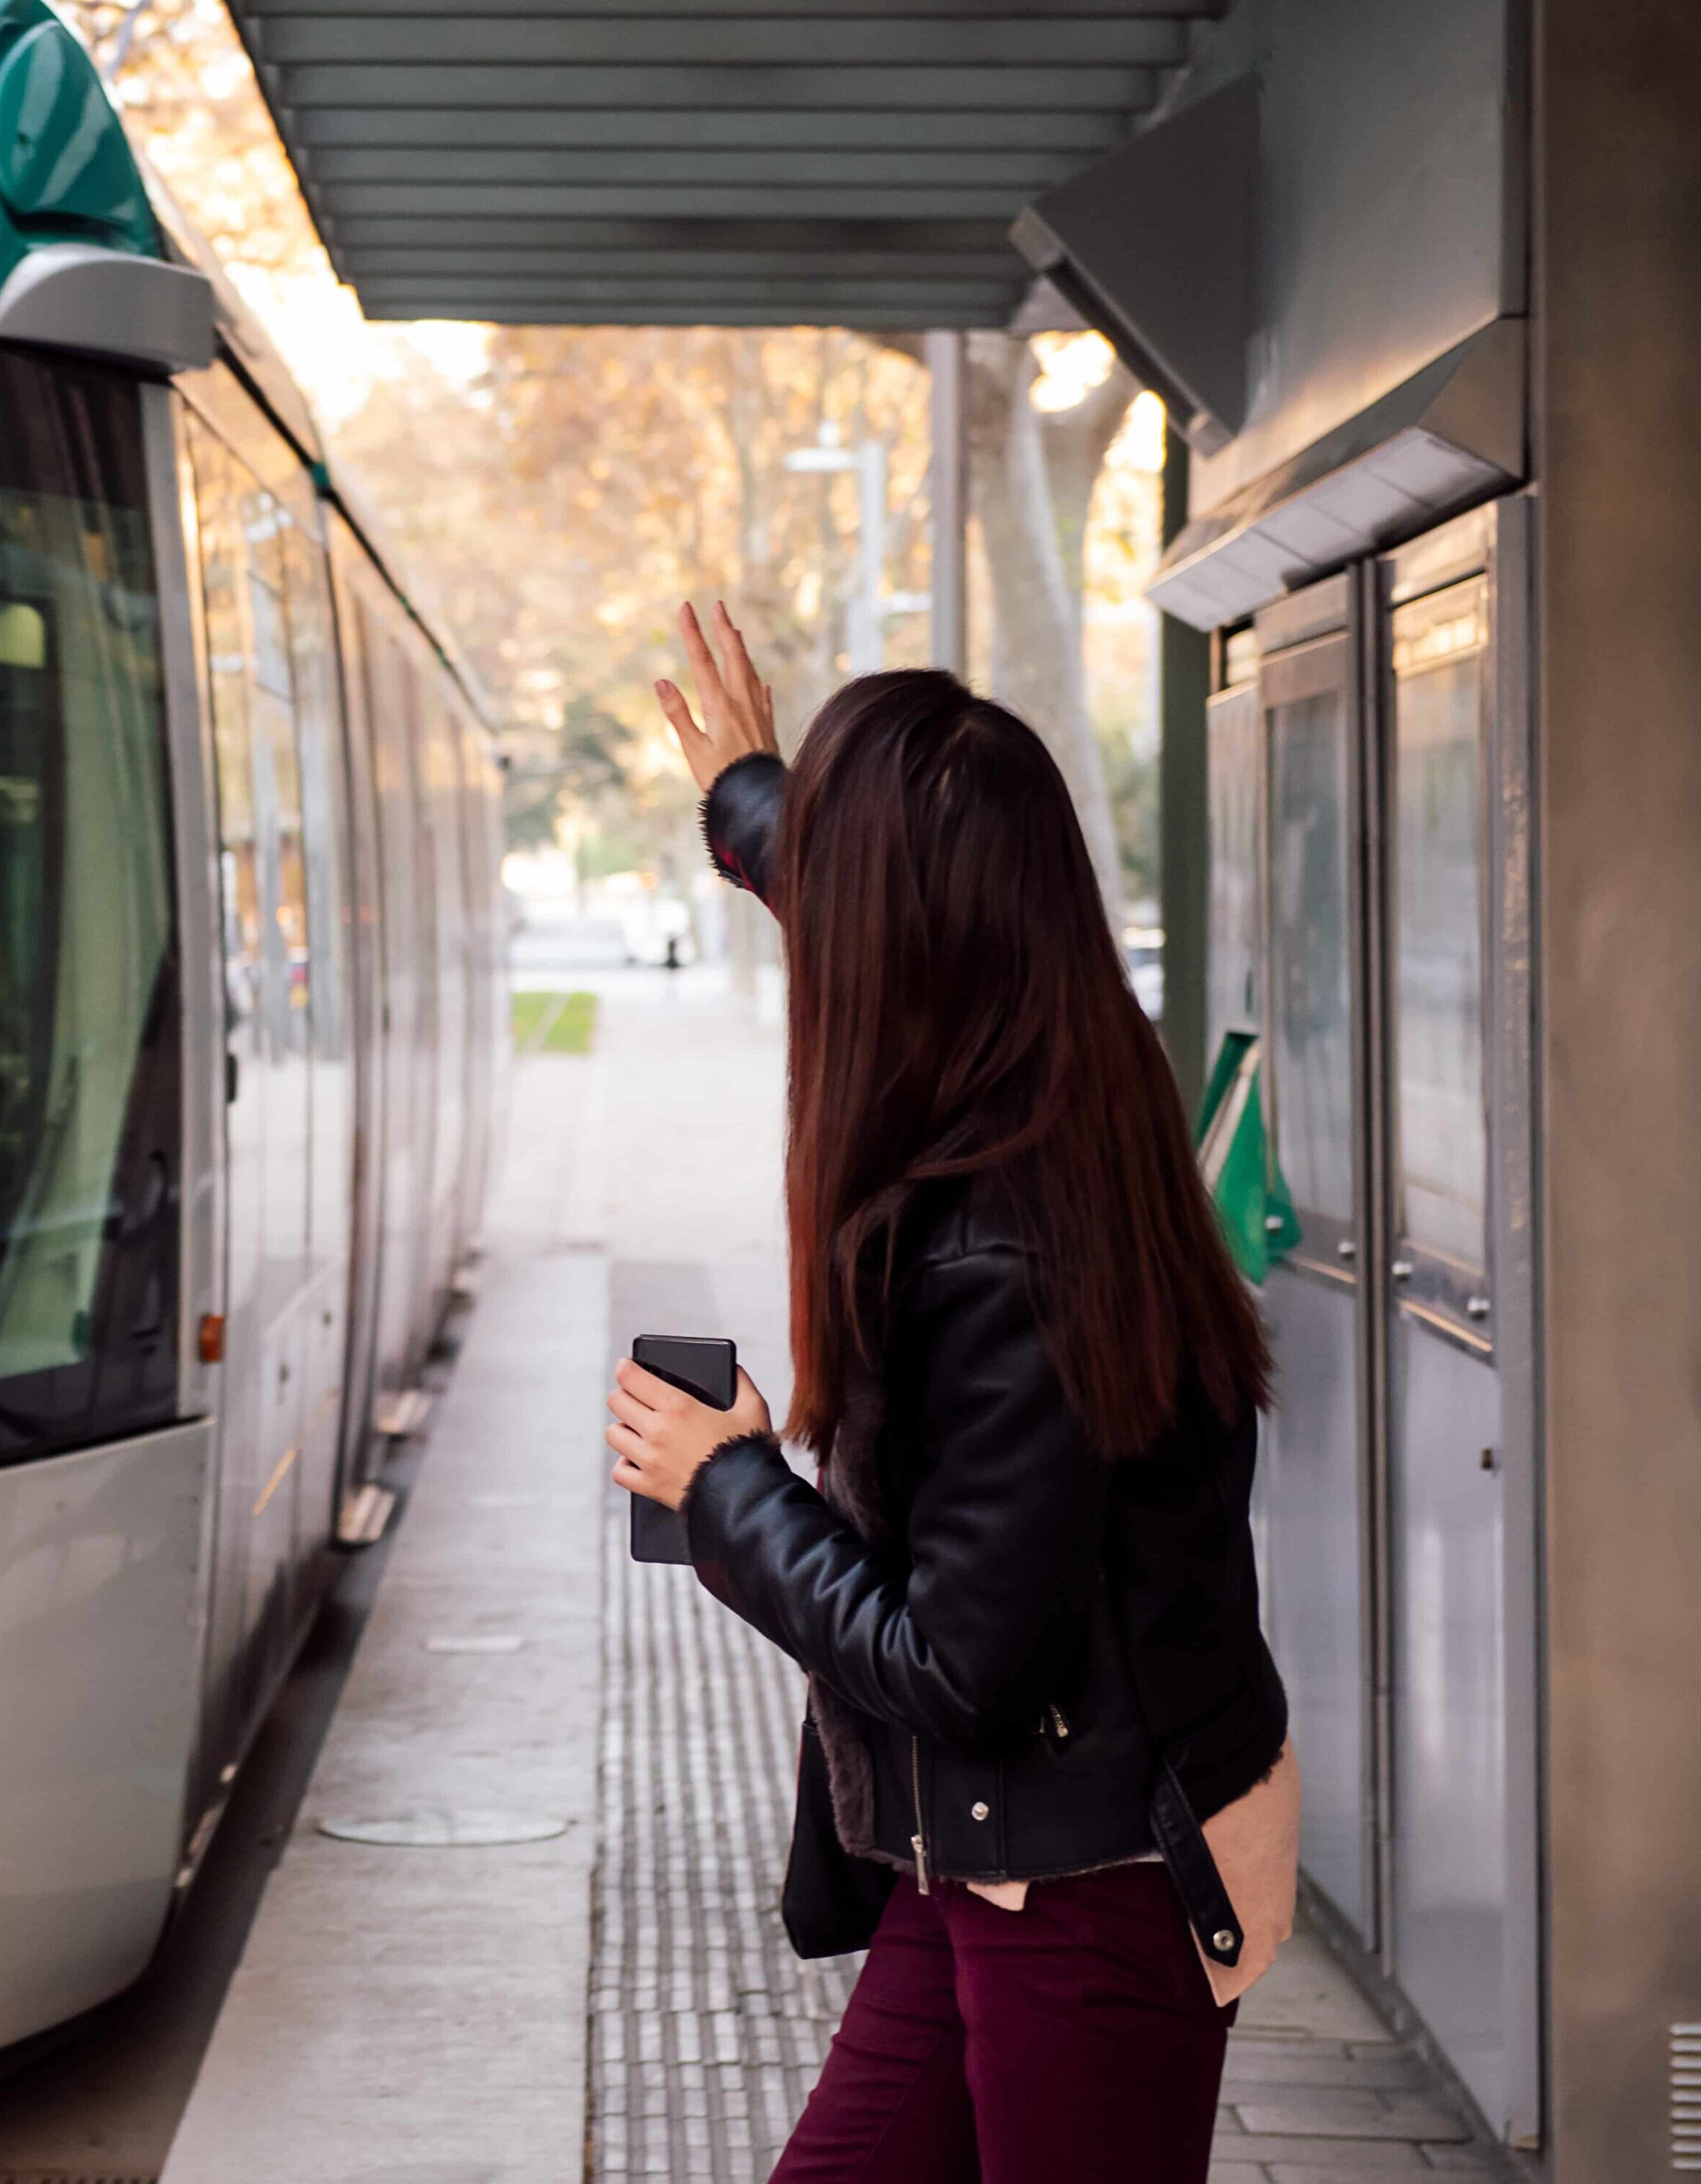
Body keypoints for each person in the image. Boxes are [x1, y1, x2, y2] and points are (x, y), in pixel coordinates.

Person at [604, 604, 1297, 2184]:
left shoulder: (1002, 1260)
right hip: (985, 1849)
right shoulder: (1062, 1045)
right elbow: (904, 904)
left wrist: (726, 1487)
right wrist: (749, 806)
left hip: (1088, 1883)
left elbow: (959, 1663)